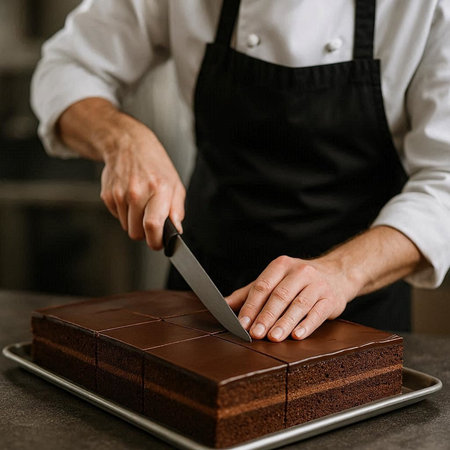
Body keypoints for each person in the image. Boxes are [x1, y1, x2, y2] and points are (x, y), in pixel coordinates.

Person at [31, 0, 450, 342]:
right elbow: (67, 66)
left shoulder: (428, 8)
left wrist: (343, 272)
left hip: (358, 309)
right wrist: (121, 138)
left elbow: (444, 183)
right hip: (204, 294)